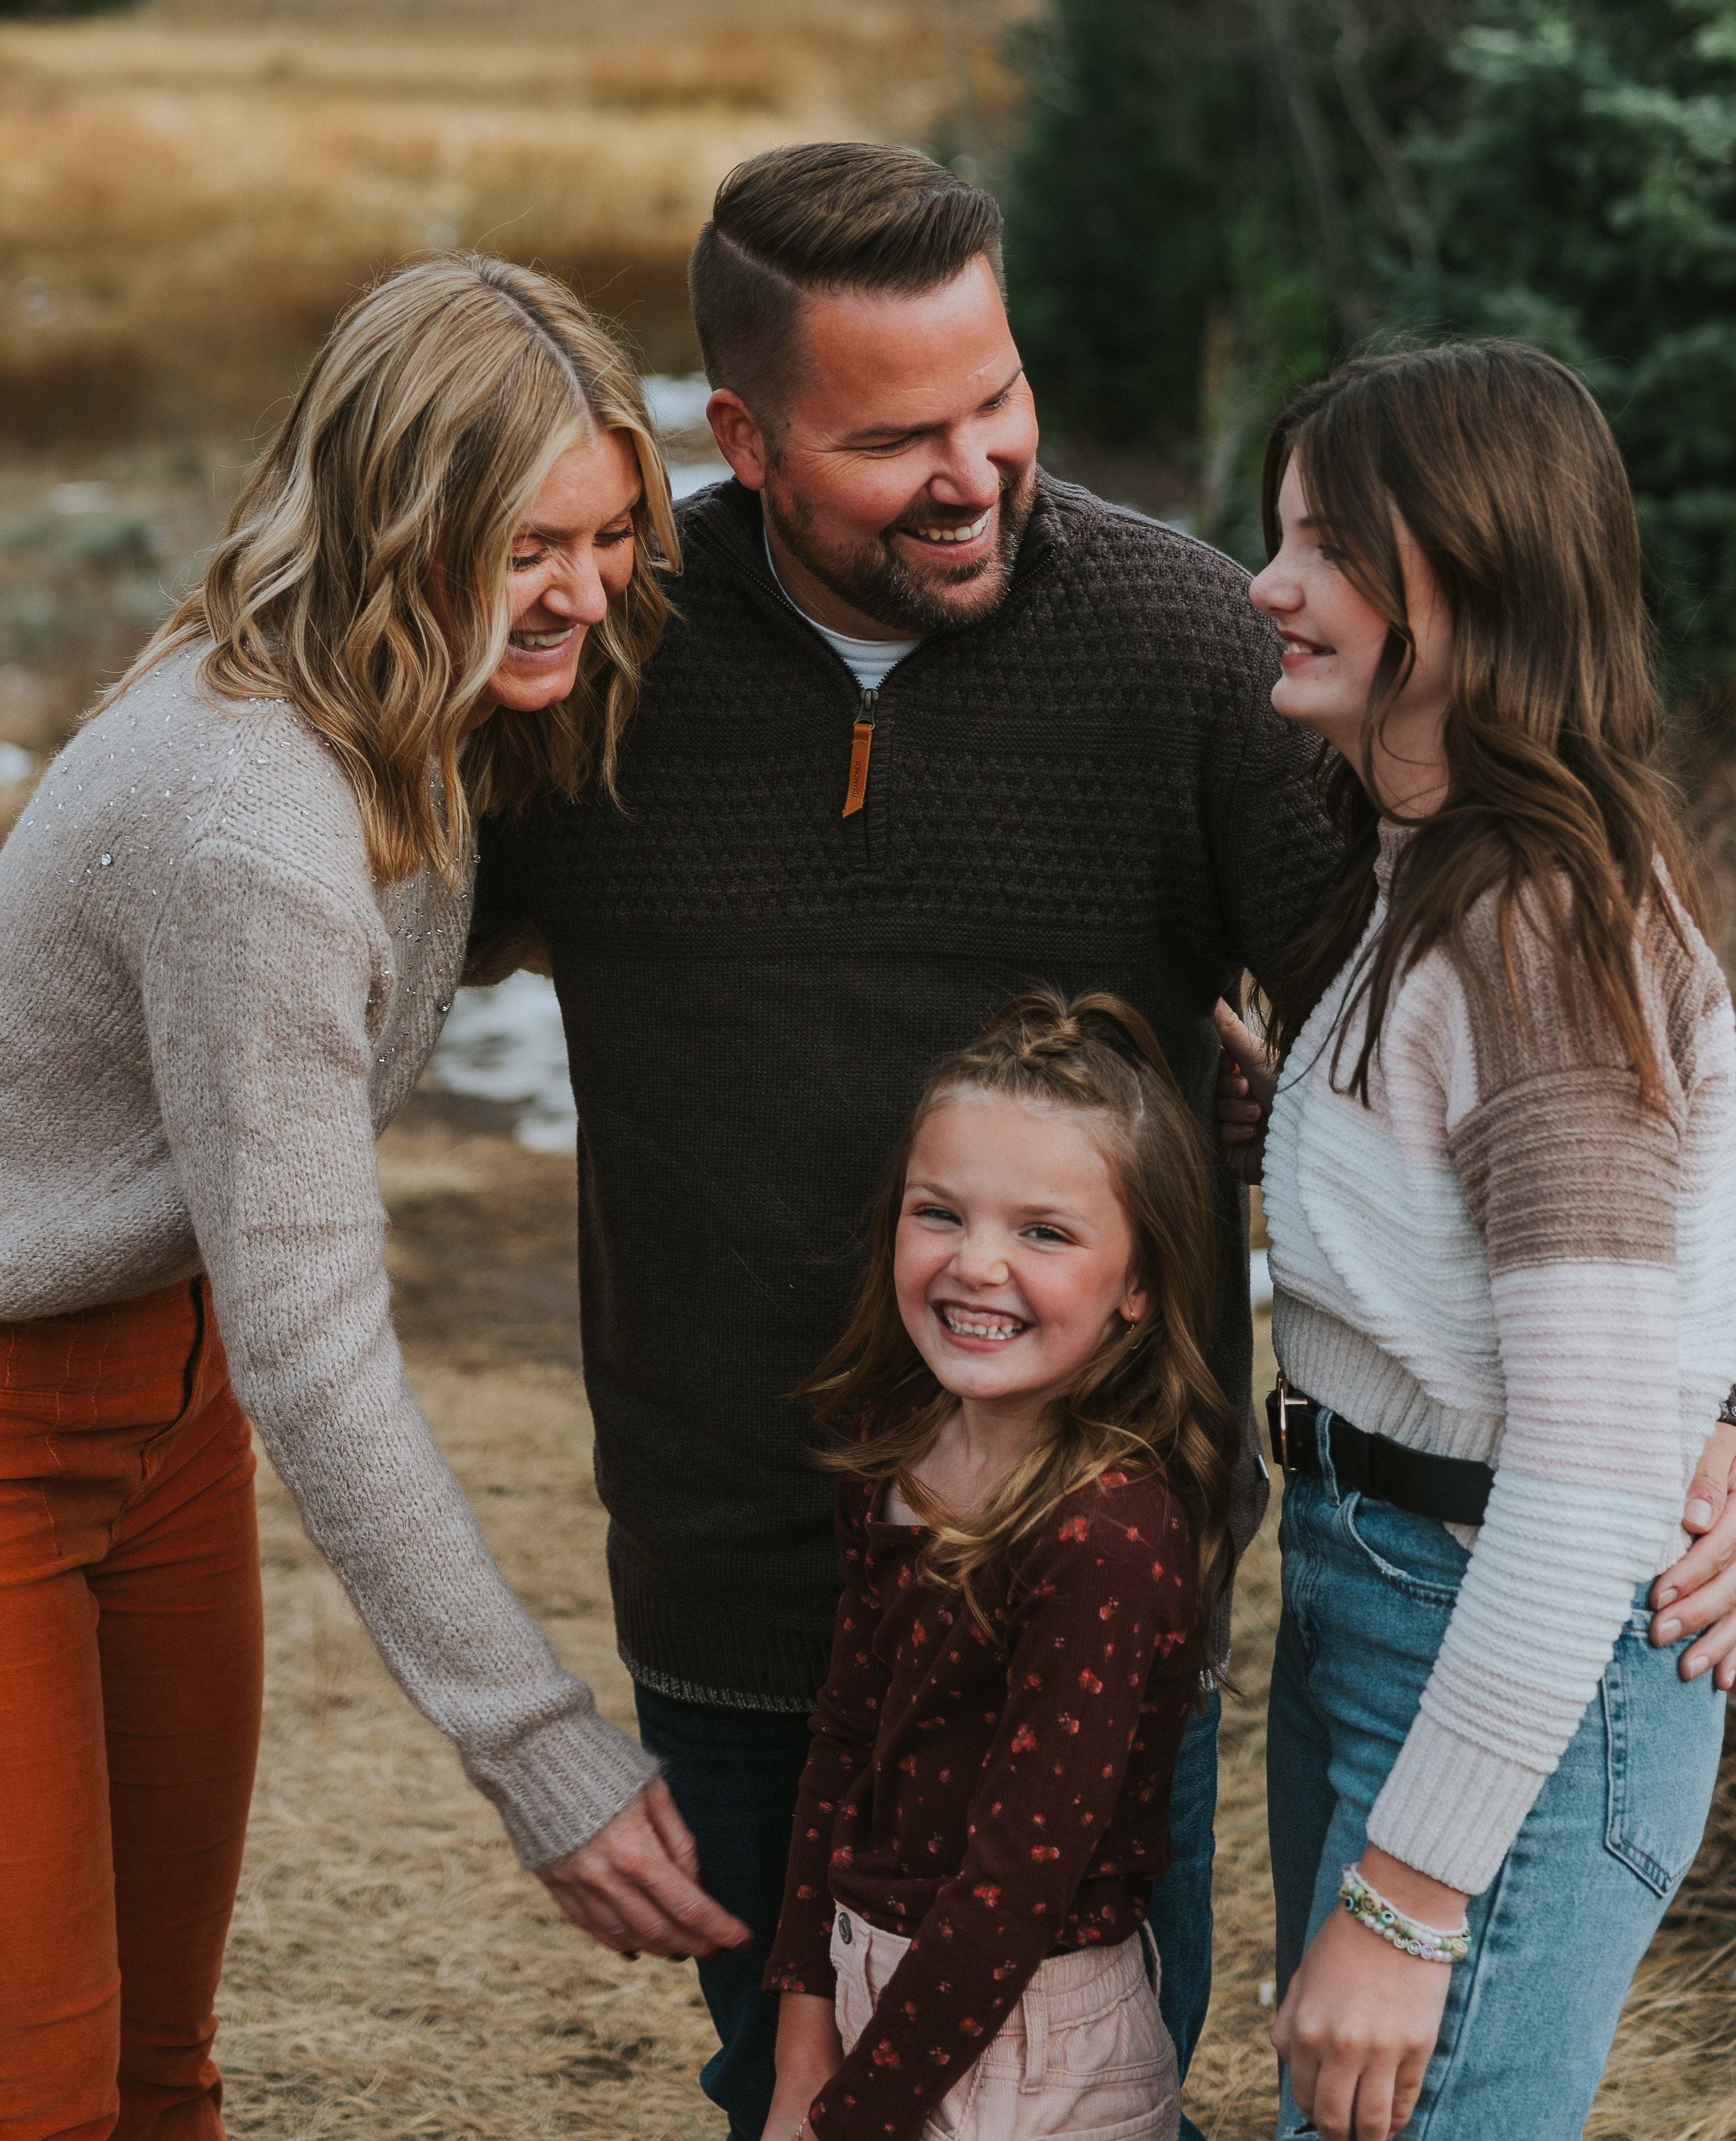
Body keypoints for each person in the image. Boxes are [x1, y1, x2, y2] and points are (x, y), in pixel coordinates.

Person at [469, 140, 1344, 2141]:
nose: (975, 471)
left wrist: (1689, 1397)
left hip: (1088, 1596)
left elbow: (1434, 1037)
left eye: (997, 398)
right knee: (778, 2084)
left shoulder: (1189, 647)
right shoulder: (607, 659)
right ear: (746, 436)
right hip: (740, 1584)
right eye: (894, 439)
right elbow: (375, 944)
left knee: (1072, 2094)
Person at [0, 254, 746, 2138]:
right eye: (527, 544)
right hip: (11, 1412)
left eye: (610, 534)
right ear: (395, 520)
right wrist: (539, 1746)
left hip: (168, 1414)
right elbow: (320, 1344)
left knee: (164, 2062)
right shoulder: (253, 818)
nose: (583, 589)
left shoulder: (413, 706)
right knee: (41, 2083)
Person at [1213, 341, 1735, 2141]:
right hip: (1382, 1585)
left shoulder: (1534, 924)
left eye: (1330, 545)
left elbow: (1589, 1460)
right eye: (1281, 533)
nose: (1270, 583)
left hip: (1509, 1634)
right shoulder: (1440, 869)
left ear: (1485, 575)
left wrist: (1415, 1888)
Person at [761, 989, 1231, 2141]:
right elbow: (841, 1742)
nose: (977, 1264)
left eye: (1045, 1231)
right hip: (878, 1989)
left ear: (1142, 1283)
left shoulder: (1105, 1540)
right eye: (941, 1213)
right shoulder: (896, 1452)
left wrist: (846, 2121)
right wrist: (802, 2038)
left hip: (1036, 2046)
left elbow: (1016, 1886)